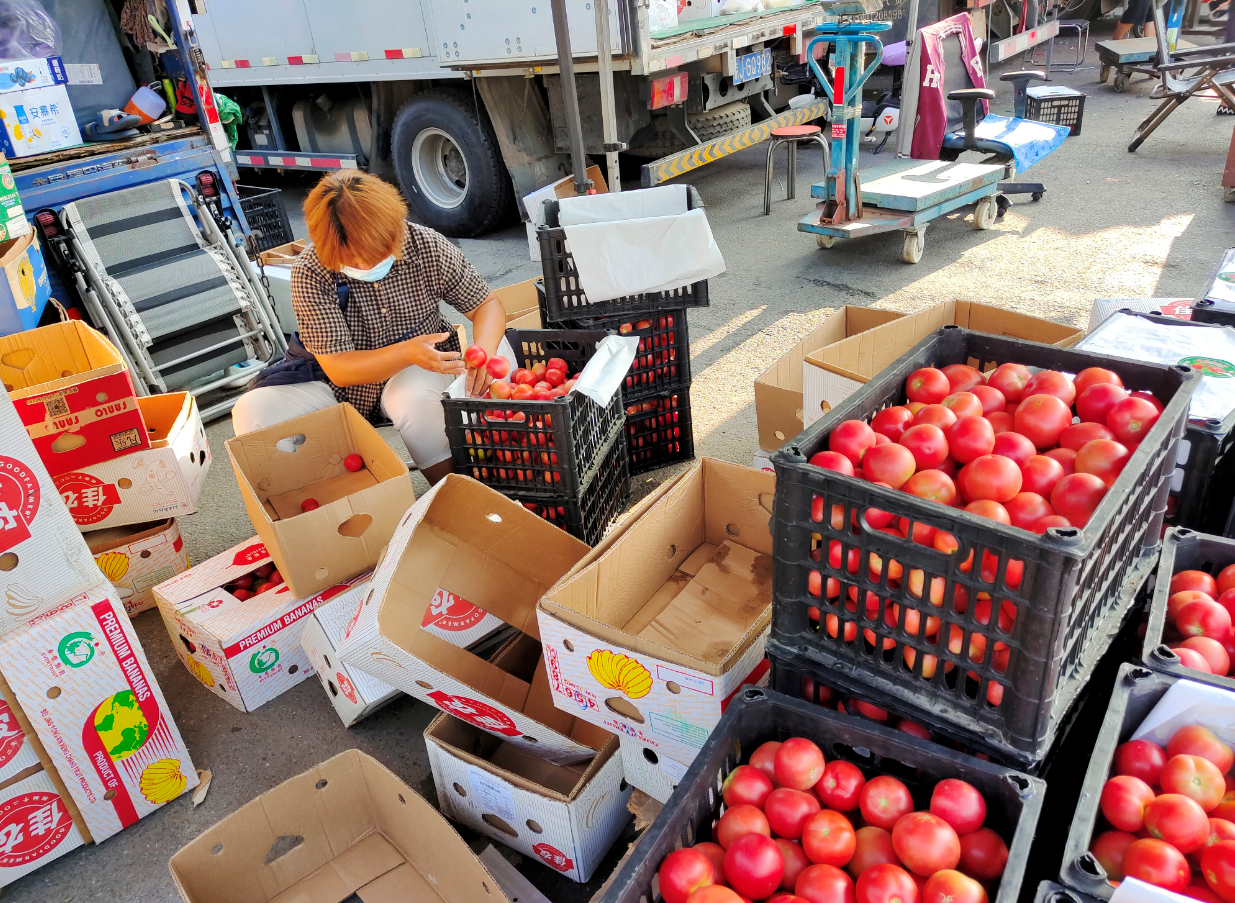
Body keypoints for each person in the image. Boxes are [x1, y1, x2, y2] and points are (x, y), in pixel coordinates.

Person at [231, 170, 509, 485]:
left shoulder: (425, 245)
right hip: (334, 381)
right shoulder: (311, 271)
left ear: (392, 232)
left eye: (375, 254)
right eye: (350, 259)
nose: (364, 266)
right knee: (254, 412)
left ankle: (455, 494)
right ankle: (332, 499)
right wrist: (405, 350)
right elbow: (340, 368)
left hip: (419, 366)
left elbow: (486, 305)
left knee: (416, 405)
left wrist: (482, 353)